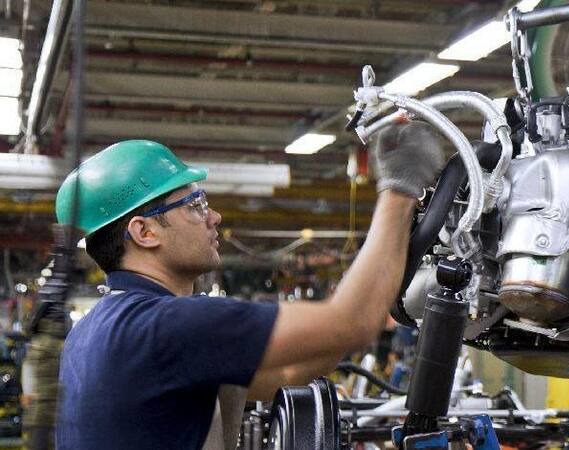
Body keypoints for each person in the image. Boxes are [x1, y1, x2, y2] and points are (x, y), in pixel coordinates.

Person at [54, 121, 445, 449]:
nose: (215, 217)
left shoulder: (91, 331)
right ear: (144, 232)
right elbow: (353, 323)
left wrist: (352, 303)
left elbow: (291, 374)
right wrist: (399, 188)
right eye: (195, 206)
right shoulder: (168, 324)